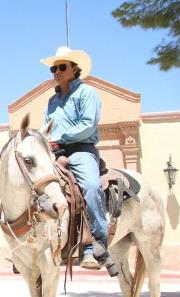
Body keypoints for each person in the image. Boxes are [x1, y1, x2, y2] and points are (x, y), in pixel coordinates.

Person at [41, 47, 117, 275]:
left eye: (62, 67)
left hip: (81, 149)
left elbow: (88, 125)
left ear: (75, 69)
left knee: (91, 188)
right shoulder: (52, 101)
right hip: (55, 152)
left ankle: (97, 244)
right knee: (36, 186)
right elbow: (47, 128)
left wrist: (59, 137)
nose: (57, 71)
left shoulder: (87, 93)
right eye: (54, 68)